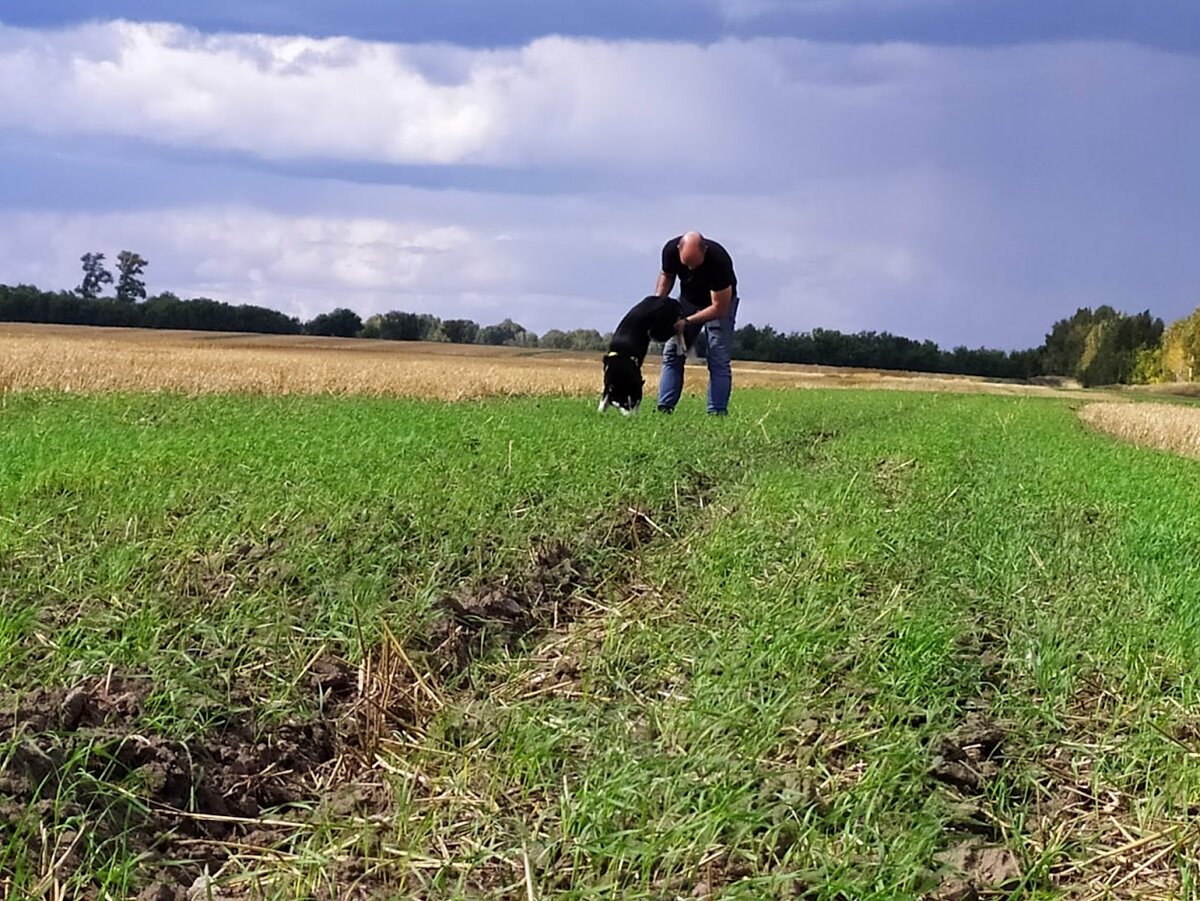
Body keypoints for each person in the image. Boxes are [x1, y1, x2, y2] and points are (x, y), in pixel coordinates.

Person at [654, 231, 739, 415]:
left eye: (695, 263)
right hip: (688, 301)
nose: (691, 268)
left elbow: (719, 308)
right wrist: (657, 305)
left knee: (717, 357)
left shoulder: (719, 261)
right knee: (672, 352)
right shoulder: (670, 250)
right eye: (687, 264)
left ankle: (716, 413)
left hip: (719, 304)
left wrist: (687, 322)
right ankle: (664, 409)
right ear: (679, 249)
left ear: (705, 250)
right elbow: (667, 276)